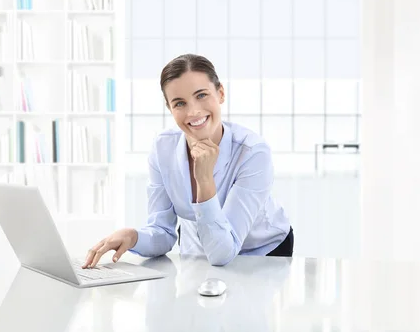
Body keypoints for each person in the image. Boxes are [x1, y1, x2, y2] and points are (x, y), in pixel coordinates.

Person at [83, 54, 293, 268]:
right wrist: (132, 237)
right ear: (170, 108)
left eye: (201, 95)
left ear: (220, 93)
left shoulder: (252, 152)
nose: (193, 112)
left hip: (264, 250)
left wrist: (204, 180)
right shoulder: (163, 148)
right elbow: (162, 232)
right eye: (180, 103)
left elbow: (223, 252)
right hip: (203, 248)